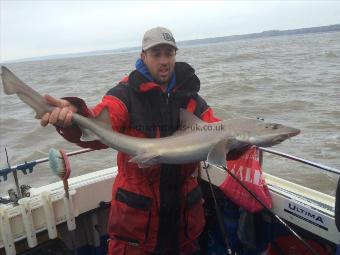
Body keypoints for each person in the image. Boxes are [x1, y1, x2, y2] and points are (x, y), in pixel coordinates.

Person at [41, 26, 220, 255]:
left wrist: (241, 143)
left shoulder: (191, 98)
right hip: (136, 226)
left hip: (183, 223)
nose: (164, 61)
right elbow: (99, 129)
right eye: (156, 54)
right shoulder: (125, 94)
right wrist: (75, 119)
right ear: (143, 56)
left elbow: (216, 131)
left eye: (169, 53)